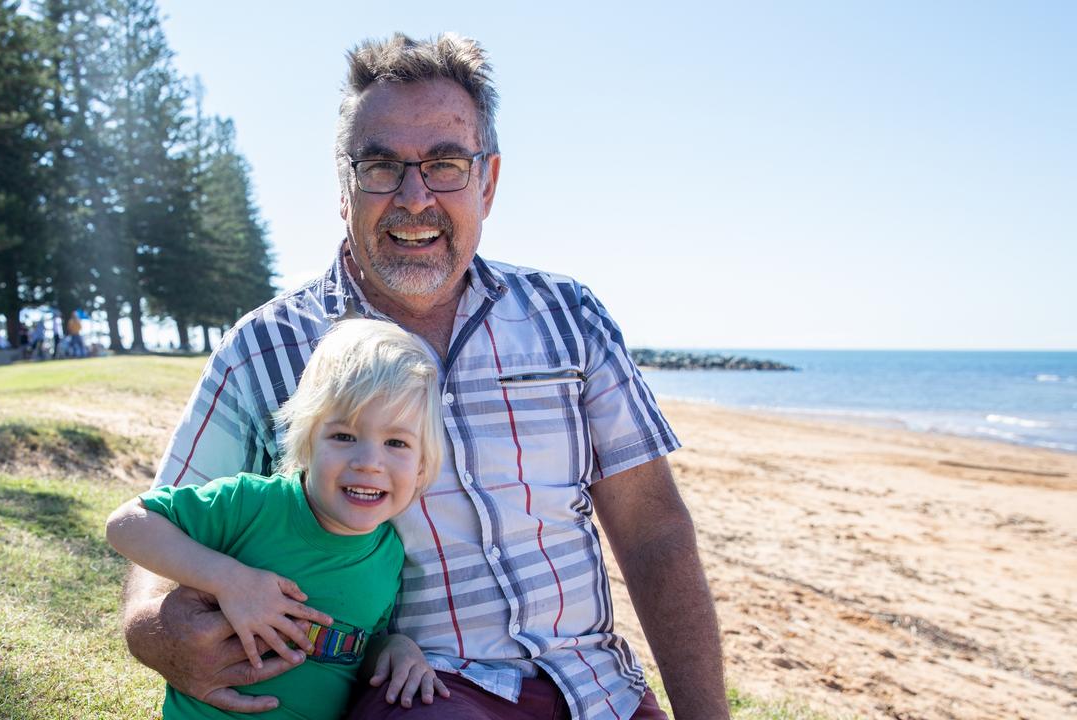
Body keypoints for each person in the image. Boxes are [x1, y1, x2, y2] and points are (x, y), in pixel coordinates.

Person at [123, 33, 727, 720]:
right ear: (344, 187)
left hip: (596, 687)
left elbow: (654, 529)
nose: (414, 197)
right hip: (423, 691)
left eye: (444, 164)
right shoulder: (263, 349)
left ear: (488, 182)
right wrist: (157, 632)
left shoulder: (570, 318)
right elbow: (165, 528)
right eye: (379, 166)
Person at [108, 319, 450, 719]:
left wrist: (393, 648)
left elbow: (354, 645)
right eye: (343, 436)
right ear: (306, 442)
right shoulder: (251, 503)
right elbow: (127, 523)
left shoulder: (389, 554)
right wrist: (228, 578)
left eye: (396, 443)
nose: (369, 463)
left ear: (423, 468)